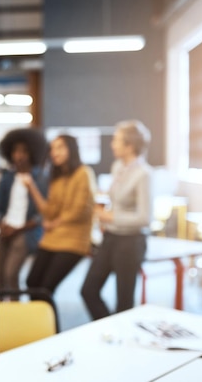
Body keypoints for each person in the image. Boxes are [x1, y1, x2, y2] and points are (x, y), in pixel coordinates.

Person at [81, 119, 152, 320]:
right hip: (111, 238)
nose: (112, 144)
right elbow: (118, 200)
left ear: (129, 145)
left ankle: (121, 338)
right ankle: (108, 327)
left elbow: (145, 218)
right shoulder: (117, 167)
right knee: (88, 290)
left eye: (116, 140)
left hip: (131, 242)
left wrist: (111, 217)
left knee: (124, 303)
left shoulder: (144, 174)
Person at [19, 134, 95, 301]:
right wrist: (31, 187)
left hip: (74, 241)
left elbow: (80, 210)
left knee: (46, 288)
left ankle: (50, 327)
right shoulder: (57, 178)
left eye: (60, 147)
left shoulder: (83, 173)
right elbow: (48, 211)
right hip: (52, 238)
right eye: (53, 148)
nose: (55, 152)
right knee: (32, 282)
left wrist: (53, 224)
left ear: (71, 149)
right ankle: (39, 324)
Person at [0, 128, 48, 296]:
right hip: (6, 229)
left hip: (27, 232)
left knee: (11, 274)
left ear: (32, 153)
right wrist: (1, 223)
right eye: (15, 151)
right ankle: (1, 314)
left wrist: (18, 229)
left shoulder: (40, 179)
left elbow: (41, 214)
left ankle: (17, 312)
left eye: (24, 151)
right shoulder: (8, 177)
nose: (19, 156)